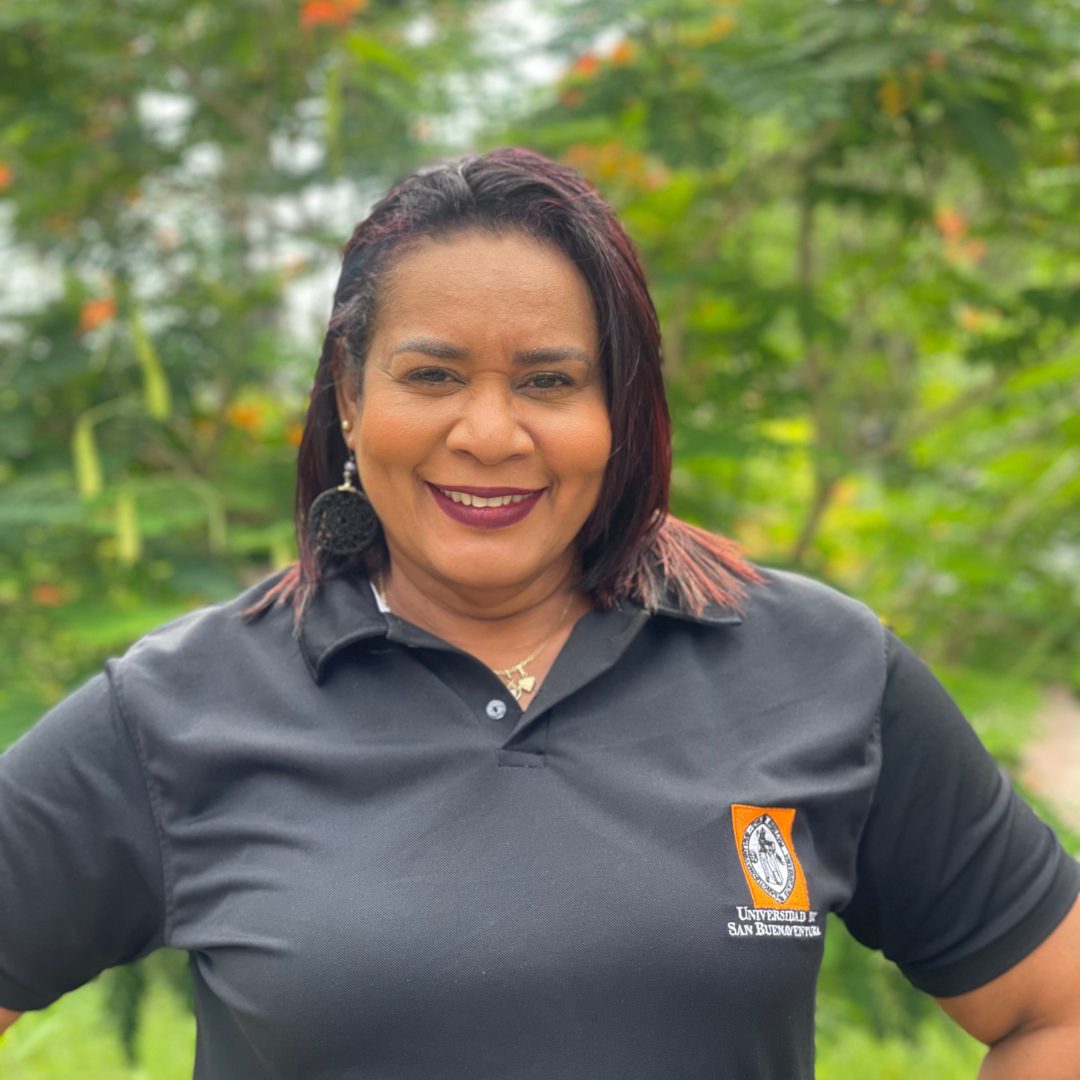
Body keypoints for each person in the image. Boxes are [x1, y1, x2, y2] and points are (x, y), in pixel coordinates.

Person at [0, 147, 1077, 1078]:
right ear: (350, 397)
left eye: (549, 382)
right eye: (432, 375)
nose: (488, 433)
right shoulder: (182, 707)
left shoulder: (821, 669)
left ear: (622, 410)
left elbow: (1055, 1008)